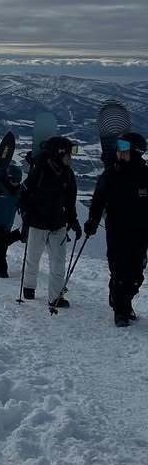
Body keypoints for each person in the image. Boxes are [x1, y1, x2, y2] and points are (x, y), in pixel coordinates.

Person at [84, 132, 148, 327]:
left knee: (136, 275)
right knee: (119, 271)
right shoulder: (112, 173)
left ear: (135, 152)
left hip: (141, 232)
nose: (119, 152)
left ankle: (122, 300)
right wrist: (93, 220)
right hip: (117, 229)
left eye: (124, 148)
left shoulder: (146, 175)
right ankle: (121, 310)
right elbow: (98, 198)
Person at [19, 136, 80, 307]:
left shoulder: (68, 174)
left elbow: (70, 200)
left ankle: (55, 297)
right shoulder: (40, 170)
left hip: (57, 224)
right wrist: (25, 212)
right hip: (37, 223)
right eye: (68, 154)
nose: (71, 158)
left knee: (58, 263)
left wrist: (73, 221)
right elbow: (24, 193)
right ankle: (29, 287)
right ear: (58, 153)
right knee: (33, 257)